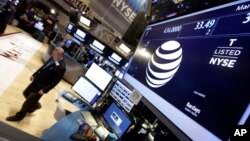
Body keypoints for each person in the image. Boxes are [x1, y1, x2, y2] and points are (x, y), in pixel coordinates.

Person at [6, 47, 66, 121]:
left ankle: (19, 117)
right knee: (26, 93)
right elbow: (43, 67)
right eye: (53, 54)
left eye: (54, 55)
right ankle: (36, 105)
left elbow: (55, 82)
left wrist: (44, 90)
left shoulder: (62, 67)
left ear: (60, 55)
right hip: (36, 81)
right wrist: (34, 74)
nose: (52, 55)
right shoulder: (53, 57)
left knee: (27, 103)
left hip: (41, 87)